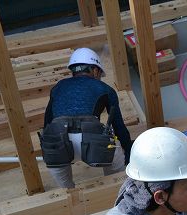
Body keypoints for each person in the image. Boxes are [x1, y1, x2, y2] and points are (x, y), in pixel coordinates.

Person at [41, 47, 132, 189]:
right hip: (92, 140)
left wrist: (47, 149)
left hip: (58, 141)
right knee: (117, 161)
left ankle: (68, 193)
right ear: (95, 70)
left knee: (65, 186)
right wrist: (129, 154)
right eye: (100, 73)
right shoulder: (105, 89)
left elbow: (47, 122)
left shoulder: (58, 87)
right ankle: (116, 189)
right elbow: (118, 126)